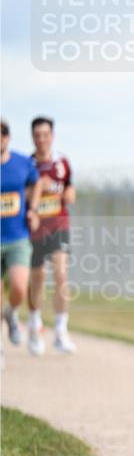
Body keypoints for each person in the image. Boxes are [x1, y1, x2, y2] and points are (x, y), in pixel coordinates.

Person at [27, 116, 76, 355]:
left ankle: (60, 330)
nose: (41, 139)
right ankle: (34, 323)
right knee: (38, 279)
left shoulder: (62, 162)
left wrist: (69, 194)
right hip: (35, 230)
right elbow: (19, 194)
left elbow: (70, 188)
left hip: (59, 225)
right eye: (37, 135)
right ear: (33, 138)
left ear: (52, 136)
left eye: (45, 134)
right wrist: (36, 189)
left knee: (61, 274)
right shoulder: (28, 165)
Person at [1, 118, 41, 367]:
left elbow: (36, 182)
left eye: (3, 133)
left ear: (8, 137)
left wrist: (33, 210)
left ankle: (12, 313)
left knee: (18, 286)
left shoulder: (22, 162)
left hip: (17, 238)